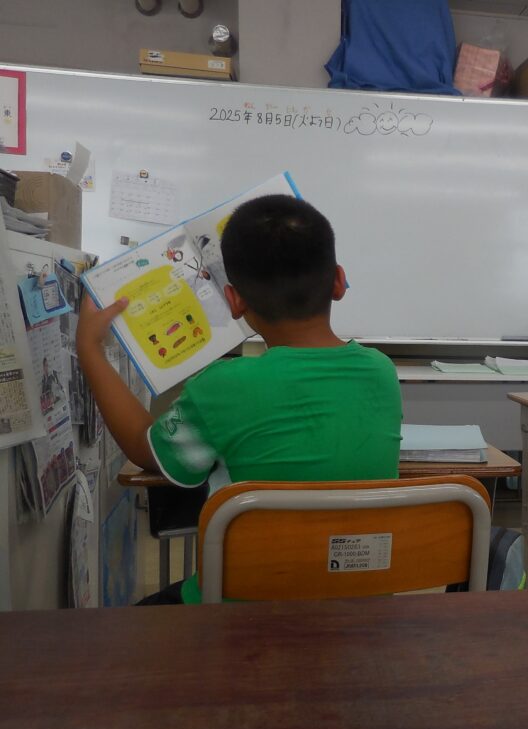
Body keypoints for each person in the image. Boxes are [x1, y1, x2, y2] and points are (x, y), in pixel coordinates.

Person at [77, 195, 402, 604]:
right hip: (361, 610)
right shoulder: (381, 371)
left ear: (233, 300)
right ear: (339, 281)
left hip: (242, 615)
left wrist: (90, 349)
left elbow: (147, 452)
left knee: (130, 623)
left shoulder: (223, 385)